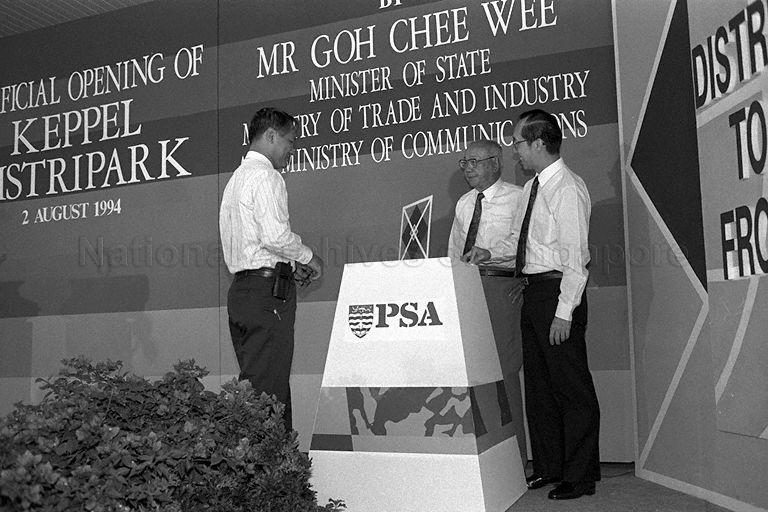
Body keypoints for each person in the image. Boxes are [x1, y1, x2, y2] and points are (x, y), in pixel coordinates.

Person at [467, 109, 600, 500]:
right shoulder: (531, 188)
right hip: (531, 292)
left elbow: (575, 259)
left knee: (571, 387)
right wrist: (488, 251)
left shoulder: (568, 189)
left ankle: (580, 475)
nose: (515, 152)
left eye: (518, 143)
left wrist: (564, 312)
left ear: (539, 143)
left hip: (558, 296)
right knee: (540, 388)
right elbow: (522, 246)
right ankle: (549, 467)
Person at [219, 107, 323, 431]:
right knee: (268, 395)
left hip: (242, 293)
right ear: (271, 136)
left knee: (263, 387)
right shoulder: (267, 176)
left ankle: (273, 474)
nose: (291, 150)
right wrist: (309, 257)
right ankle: (269, 476)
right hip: (268, 296)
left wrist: (290, 264)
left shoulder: (235, 180)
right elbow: (276, 236)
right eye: (290, 142)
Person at [447, 139, 527, 463]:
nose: (468, 168)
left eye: (474, 162)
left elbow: (523, 244)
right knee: (473, 374)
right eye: (464, 162)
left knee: (505, 374)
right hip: (468, 291)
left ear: (495, 162)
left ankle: (515, 459)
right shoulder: (464, 204)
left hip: (500, 289)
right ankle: (484, 458)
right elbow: (454, 249)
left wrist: (490, 254)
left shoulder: (517, 198)